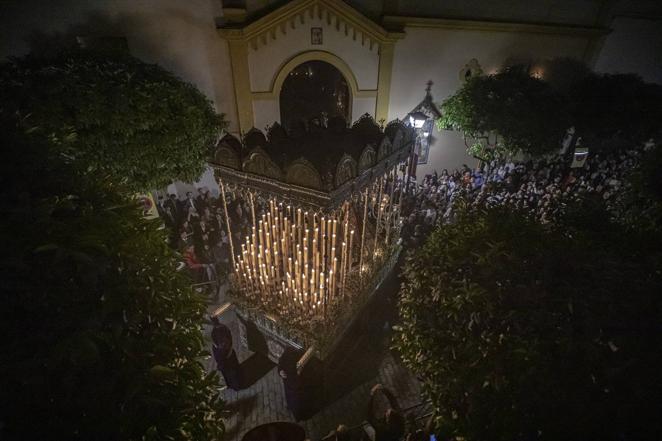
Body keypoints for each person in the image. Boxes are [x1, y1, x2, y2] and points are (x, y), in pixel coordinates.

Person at [211, 318, 242, 390]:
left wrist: (222, 358)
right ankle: (234, 384)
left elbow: (220, 345)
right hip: (228, 355)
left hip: (225, 356)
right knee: (231, 371)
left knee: (231, 371)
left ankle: (235, 385)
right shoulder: (224, 328)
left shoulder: (215, 331)